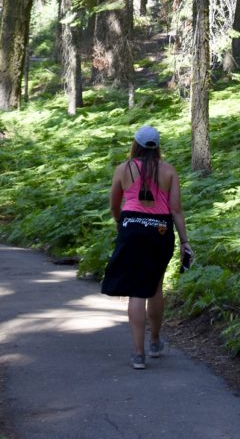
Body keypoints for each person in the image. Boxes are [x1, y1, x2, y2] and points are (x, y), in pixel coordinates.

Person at [101, 125, 193, 370]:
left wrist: (121, 223)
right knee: (155, 287)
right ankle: (154, 342)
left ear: (136, 144)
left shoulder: (123, 169)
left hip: (131, 227)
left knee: (136, 292)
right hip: (160, 231)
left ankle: (137, 354)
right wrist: (185, 241)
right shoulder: (169, 171)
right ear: (157, 146)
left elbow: (114, 204)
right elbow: (175, 209)